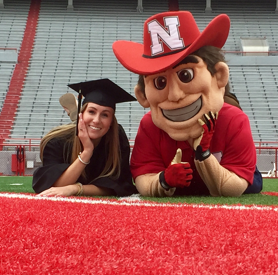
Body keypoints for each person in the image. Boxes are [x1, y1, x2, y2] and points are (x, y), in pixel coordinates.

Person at [112, 11, 263, 197]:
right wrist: (163, 181)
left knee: (253, 183)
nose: (175, 95)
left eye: (186, 75)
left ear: (219, 75)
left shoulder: (234, 120)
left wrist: (204, 155)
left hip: (229, 174)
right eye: (160, 82)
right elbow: (144, 178)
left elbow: (233, 187)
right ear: (143, 96)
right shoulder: (150, 125)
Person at [32, 78, 137, 197]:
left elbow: (119, 186)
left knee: (91, 125)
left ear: (111, 121)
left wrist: (76, 188)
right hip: (72, 136)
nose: (97, 120)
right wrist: (87, 152)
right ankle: (78, 121)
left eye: (105, 115)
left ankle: (79, 120)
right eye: (92, 112)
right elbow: (53, 186)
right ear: (82, 113)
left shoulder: (117, 137)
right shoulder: (57, 141)